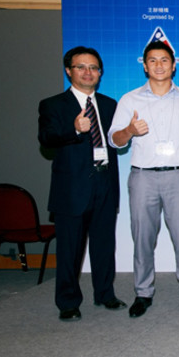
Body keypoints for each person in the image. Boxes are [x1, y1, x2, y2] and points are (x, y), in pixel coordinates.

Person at [109, 40, 179, 318]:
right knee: (142, 236)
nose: (159, 65)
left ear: (174, 65)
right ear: (145, 65)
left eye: (164, 60)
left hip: (178, 177)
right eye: (152, 60)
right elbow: (115, 141)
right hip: (143, 178)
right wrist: (129, 130)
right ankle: (143, 292)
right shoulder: (130, 100)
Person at [38, 46, 126, 321]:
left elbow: (115, 141)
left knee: (103, 245)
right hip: (72, 189)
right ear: (69, 71)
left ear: (100, 73)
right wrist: (75, 129)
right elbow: (48, 139)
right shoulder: (53, 105)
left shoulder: (111, 104)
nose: (88, 73)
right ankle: (68, 302)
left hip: (105, 184)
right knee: (69, 249)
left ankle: (105, 294)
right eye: (81, 67)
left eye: (94, 68)